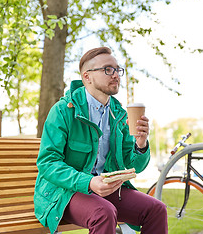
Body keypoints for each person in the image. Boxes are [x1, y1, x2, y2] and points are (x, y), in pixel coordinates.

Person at [34, 47, 168, 234]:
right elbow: (48, 163)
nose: (115, 75)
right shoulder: (64, 110)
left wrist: (141, 144)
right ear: (87, 77)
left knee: (156, 209)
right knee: (103, 212)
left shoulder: (119, 114)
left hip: (106, 189)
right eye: (107, 69)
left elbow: (132, 166)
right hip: (64, 192)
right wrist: (89, 182)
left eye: (117, 69)